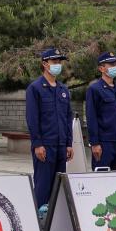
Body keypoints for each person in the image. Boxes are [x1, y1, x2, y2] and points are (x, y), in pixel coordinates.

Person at [25, 47, 72, 211]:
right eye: (54, 61)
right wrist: (37, 144)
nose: (58, 64)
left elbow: (67, 118)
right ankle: (39, 217)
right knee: (43, 184)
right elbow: (32, 119)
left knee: (58, 186)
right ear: (45, 64)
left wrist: (69, 143)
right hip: (45, 145)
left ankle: (54, 218)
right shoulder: (35, 88)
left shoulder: (63, 90)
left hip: (61, 145)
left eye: (59, 61)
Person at [85, 52, 116, 171]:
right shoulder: (94, 89)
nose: (115, 67)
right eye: (112, 64)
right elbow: (91, 117)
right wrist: (95, 143)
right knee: (102, 177)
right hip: (104, 143)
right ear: (101, 68)